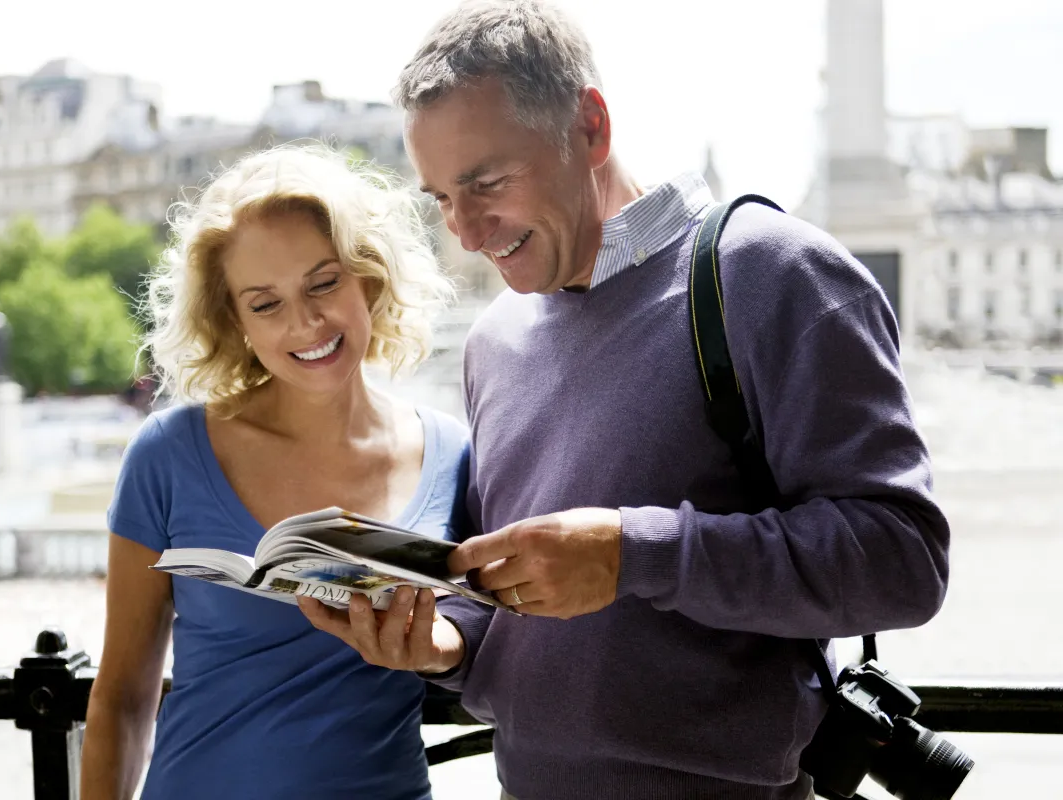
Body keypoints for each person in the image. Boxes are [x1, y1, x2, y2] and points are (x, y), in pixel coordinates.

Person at [298, 2, 952, 799]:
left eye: (487, 183)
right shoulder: (494, 340)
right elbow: (498, 595)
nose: (466, 231)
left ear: (591, 128)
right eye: (440, 198)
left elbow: (904, 561)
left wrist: (633, 554)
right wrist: (440, 641)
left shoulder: (774, 274)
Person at [80, 144, 468, 800]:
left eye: (324, 283)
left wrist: (437, 648)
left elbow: (496, 648)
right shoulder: (168, 454)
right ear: (234, 320)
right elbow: (120, 697)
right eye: (265, 303)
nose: (305, 322)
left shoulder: (453, 455)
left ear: (367, 276)